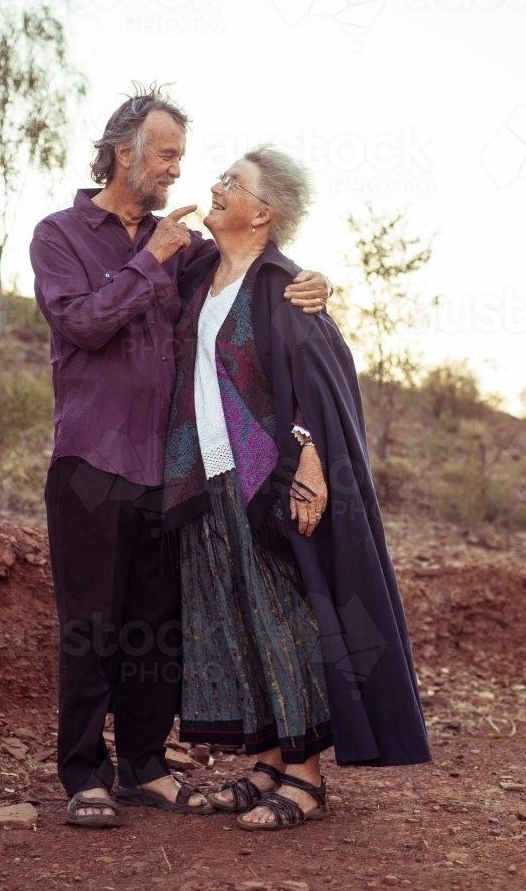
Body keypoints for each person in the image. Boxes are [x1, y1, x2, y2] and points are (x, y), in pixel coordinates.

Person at [30, 86, 331, 826]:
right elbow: (81, 324)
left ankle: (142, 763)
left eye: (181, 157)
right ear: (122, 152)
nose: (176, 170)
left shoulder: (190, 251)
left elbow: (246, 279)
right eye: (165, 154)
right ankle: (84, 774)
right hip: (92, 466)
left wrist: (312, 283)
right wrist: (150, 259)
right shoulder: (61, 235)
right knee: (91, 626)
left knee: (157, 626)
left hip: (170, 473)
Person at [162, 144, 431, 831]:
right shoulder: (198, 273)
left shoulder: (284, 287)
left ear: (265, 213)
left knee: (282, 617)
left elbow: (322, 381)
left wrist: (312, 466)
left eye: (234, 184)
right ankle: (269, 760)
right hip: (205, 475)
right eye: (220, 178)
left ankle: (307, 777)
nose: (216, 188)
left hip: (264, 480)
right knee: (235, 619)